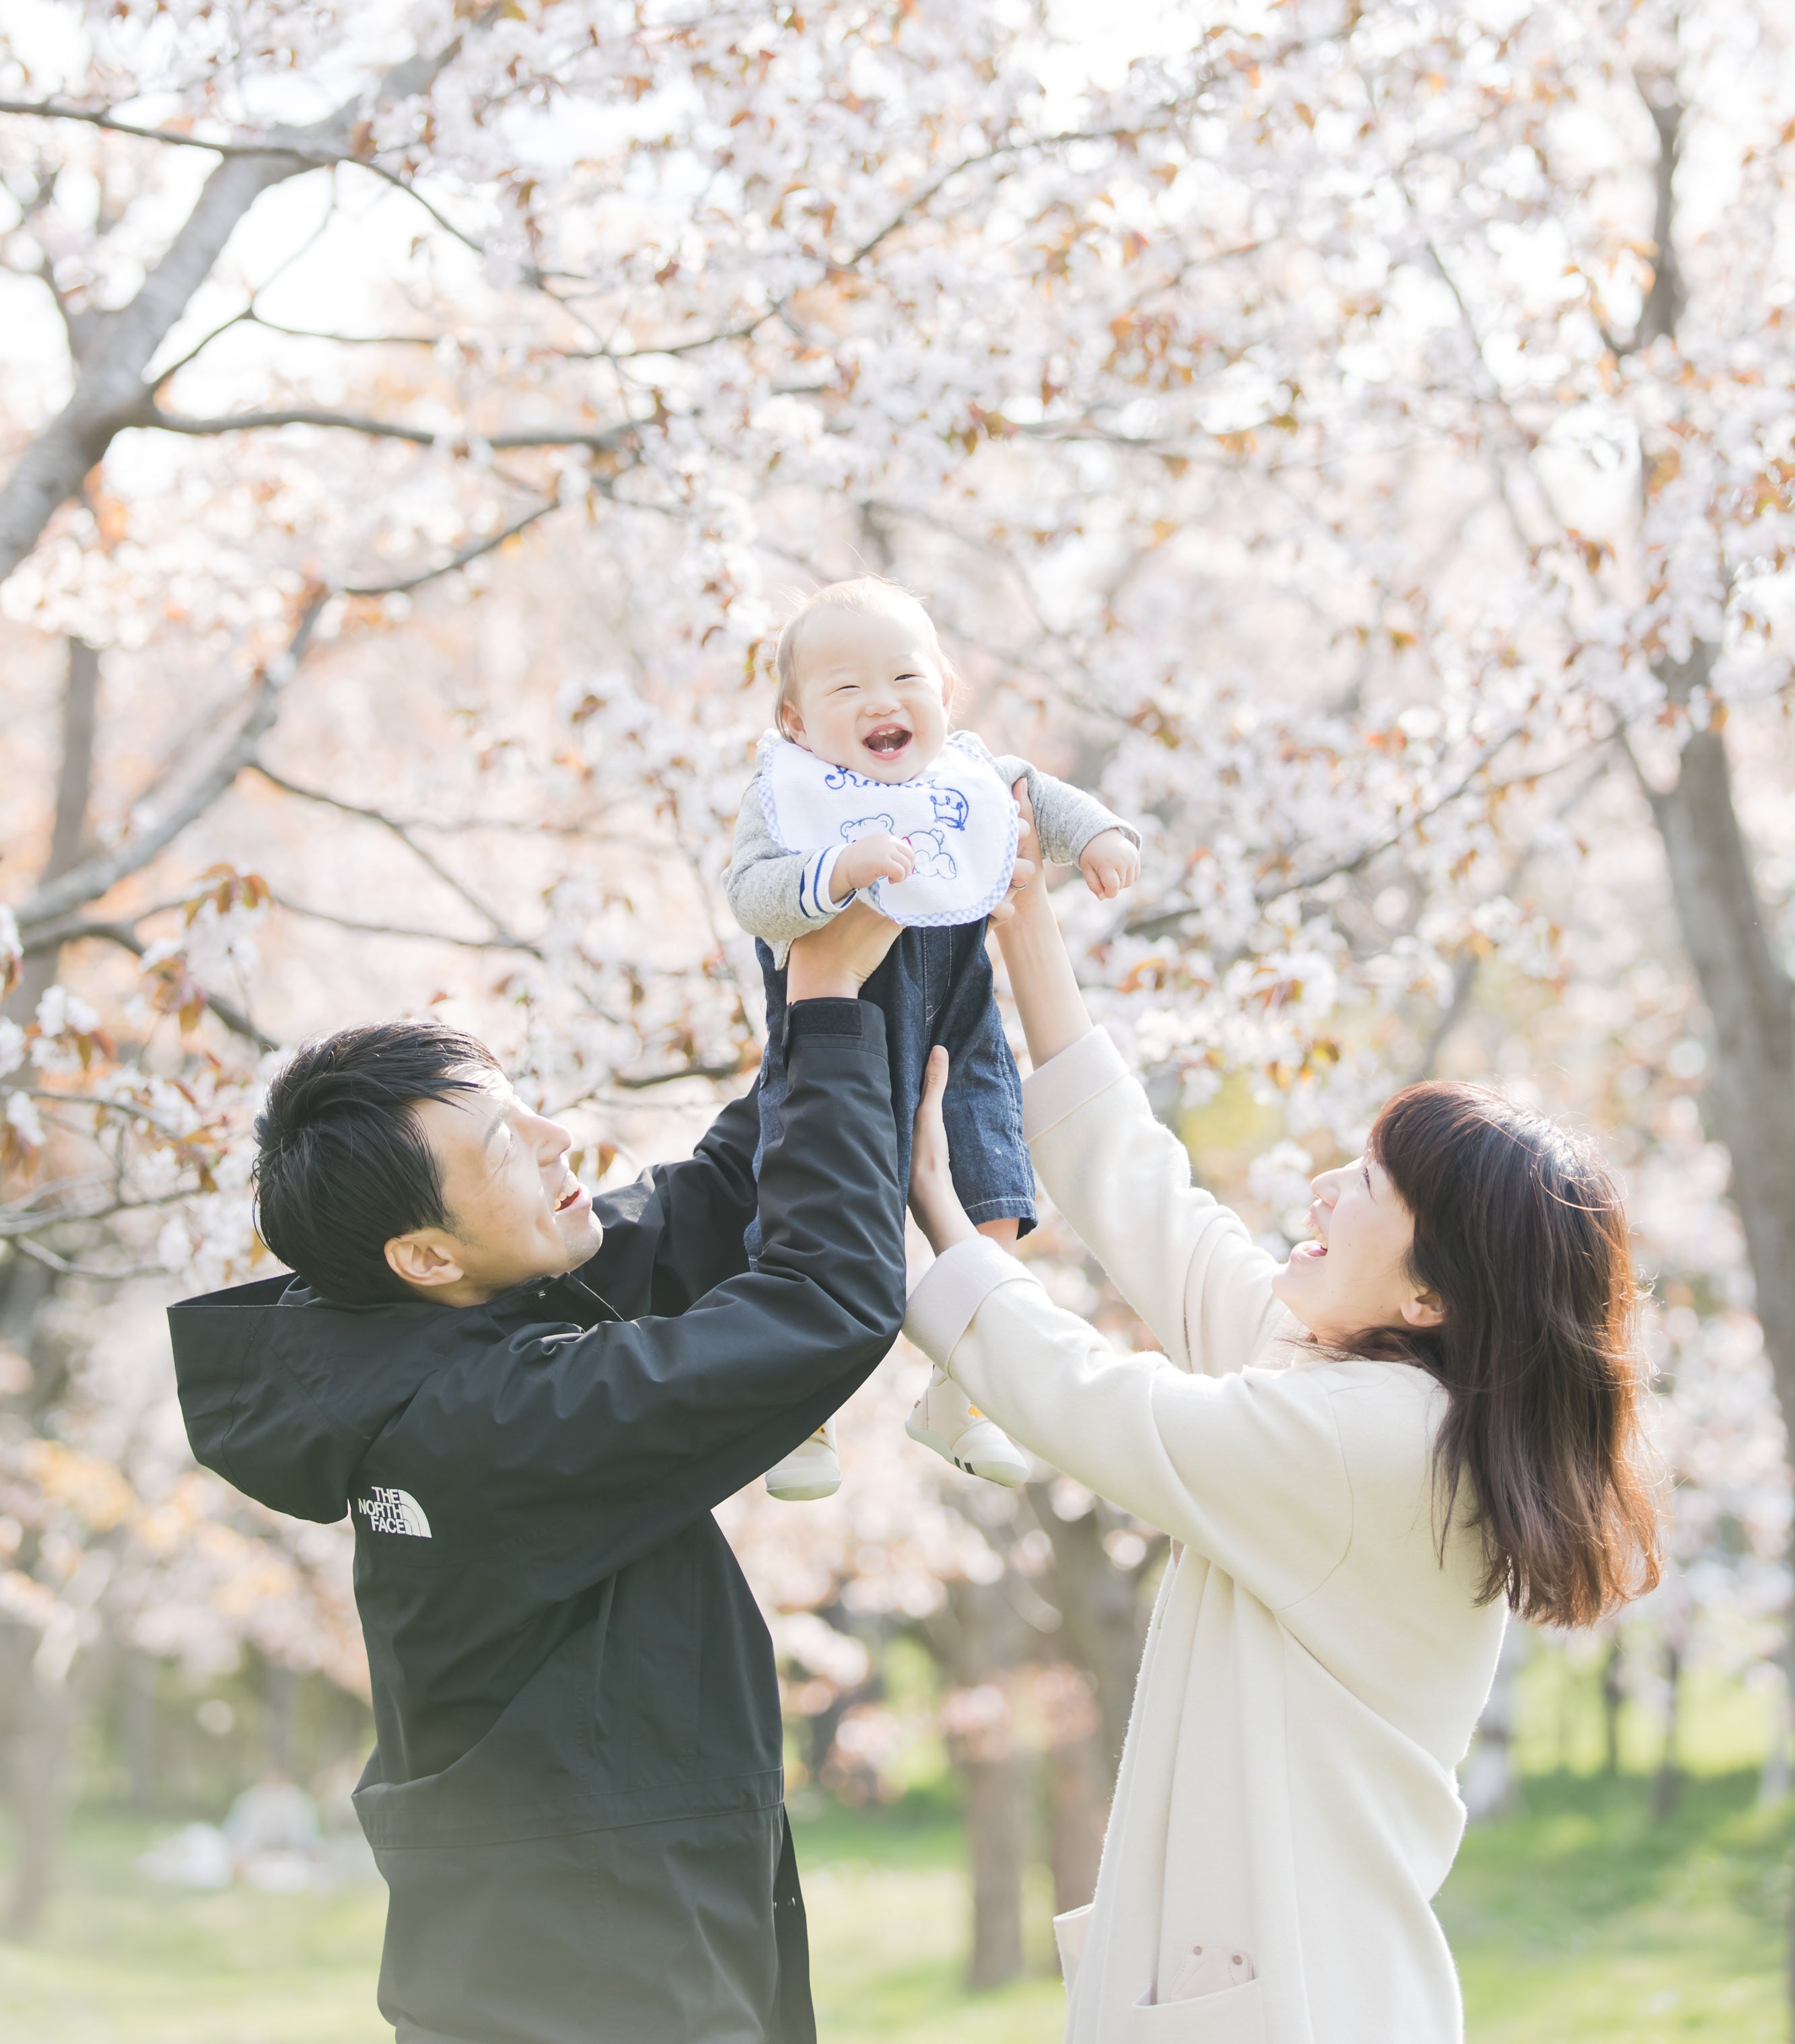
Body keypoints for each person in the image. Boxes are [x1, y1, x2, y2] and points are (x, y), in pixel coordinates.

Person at [903, 790, 1662, 2044]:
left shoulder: (1381, 1449)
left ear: (1433, 1291)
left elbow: (1103, 1408)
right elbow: (1149, 1198)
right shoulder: (1369, 1393)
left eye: (1366, 1183)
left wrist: (938, 1210)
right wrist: (1025, 923)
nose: (1320, 1183)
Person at [168, 901, 907, 2044]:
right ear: (425, 1252)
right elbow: (825, 1307)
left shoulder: (429, 1330)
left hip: (562, 1961)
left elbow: (713, 1203)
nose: (559, 1133)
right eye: (506, 1144)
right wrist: (822, 1009)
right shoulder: (490, 1419)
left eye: (522, 1105)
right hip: (600, 1992)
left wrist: (832, 965)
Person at [726, 575, 1138, 1499]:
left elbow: (1039, 797)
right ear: (794, 723)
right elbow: (750, 894)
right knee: (819, 1208)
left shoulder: (966, 781)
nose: (883, 700)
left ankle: (963, 1390)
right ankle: (796, 1407)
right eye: (845, 688)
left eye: (908, 676)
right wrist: (833, 871)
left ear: (947, 694)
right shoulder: (793, 800)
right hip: (840, 1043)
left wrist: (1099, 835)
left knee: (994, 1190)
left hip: (962, 1031)